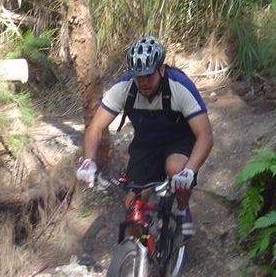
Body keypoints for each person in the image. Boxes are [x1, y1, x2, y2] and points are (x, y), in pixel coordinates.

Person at [76, 36, 213, 236]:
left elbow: (206, 135)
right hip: (147, 143)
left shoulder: (179, 87)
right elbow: (95, 127)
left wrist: (189, 171)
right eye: (138, 77)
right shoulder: (124, 88)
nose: (144, 82)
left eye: (149, 75)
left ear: (162, 70)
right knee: (131, 205)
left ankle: (183, 209)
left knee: (176, 169)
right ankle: (138, 253)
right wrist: (88, 161)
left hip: (180, 139)